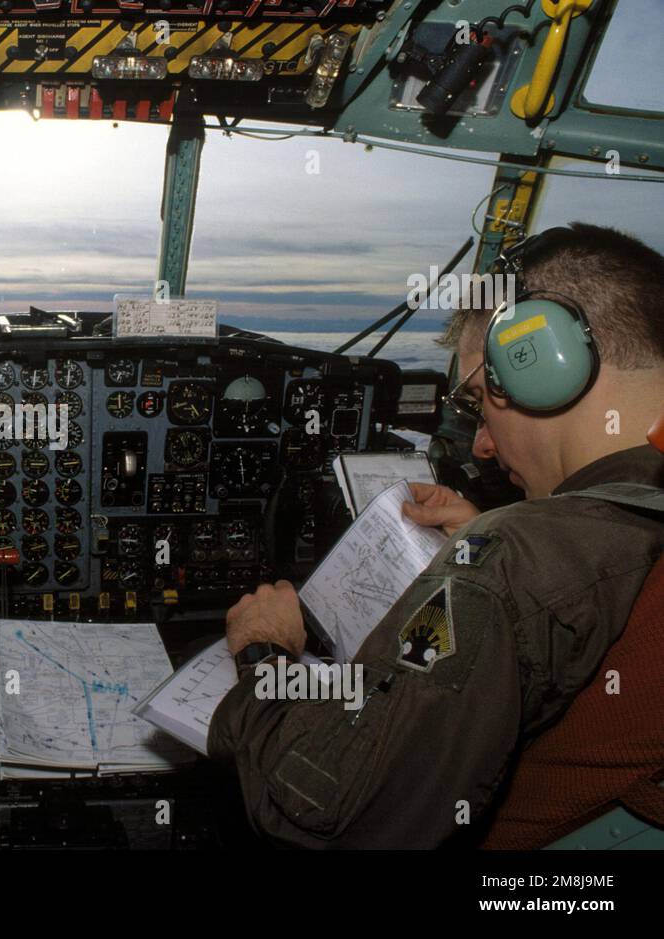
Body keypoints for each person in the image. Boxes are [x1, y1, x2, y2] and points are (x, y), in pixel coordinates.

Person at [209, 224, 664, 848]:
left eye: (481, 400)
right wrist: (498, 550)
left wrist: (266, 655)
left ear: (540, 361)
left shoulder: (510, 564)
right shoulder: (559, 547)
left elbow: (313, 809)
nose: (480, 444)